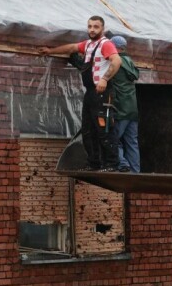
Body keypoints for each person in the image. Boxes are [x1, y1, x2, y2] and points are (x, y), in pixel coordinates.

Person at [38, 16, 121, 171]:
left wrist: (104, 78)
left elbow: (116, 61)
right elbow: (71, 48)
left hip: (103, 92)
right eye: (89, 26)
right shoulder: (88, 45)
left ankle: (112, 164)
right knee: (88, 130)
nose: (92, 29)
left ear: (102, 28)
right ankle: (94, 163)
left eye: (96, 27)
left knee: (105, 129)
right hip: (90, 92)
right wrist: (51, 51)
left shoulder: (106, 44)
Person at [108, 35, 140, 173]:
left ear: (114, 47)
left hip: (120, 109)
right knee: (132, 142)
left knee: (113, 139)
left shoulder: (116, 62)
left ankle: (123, 164)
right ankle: (135, 171)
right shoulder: (130, 61)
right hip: (132, 110)